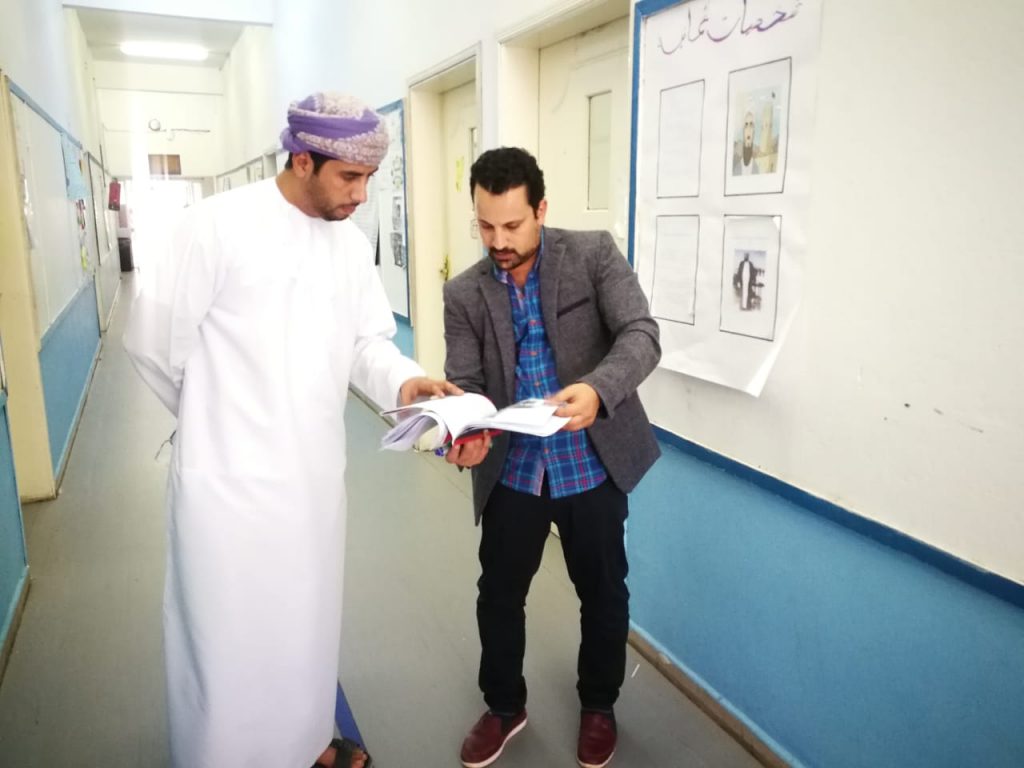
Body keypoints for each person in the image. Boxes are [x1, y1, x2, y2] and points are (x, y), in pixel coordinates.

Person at [123, 92, 459, 768]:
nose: (361, 195)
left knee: (303, 632)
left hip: (311, 482)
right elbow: (151, 344)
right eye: (349, 177)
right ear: (302, 160)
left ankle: (304, 745)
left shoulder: (349, 245)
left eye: (369, 179)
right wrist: (213, 419)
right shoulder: (215, 227)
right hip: (226, 490)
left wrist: (404, 381)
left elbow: (366, 340)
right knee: (226, 642)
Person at [442, 147, 661, 768]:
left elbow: (641, 334)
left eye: (512, 225)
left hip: (591, 463)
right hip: (513, 471)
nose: (498, 241)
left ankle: (599, 705)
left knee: (604, 592)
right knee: (498, 595)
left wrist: (598, 389)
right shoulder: (463, 293)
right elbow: (467, 381)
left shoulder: (592, 255)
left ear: (541, 209)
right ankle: (503, 707)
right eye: (485, 225)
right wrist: (465, 430)